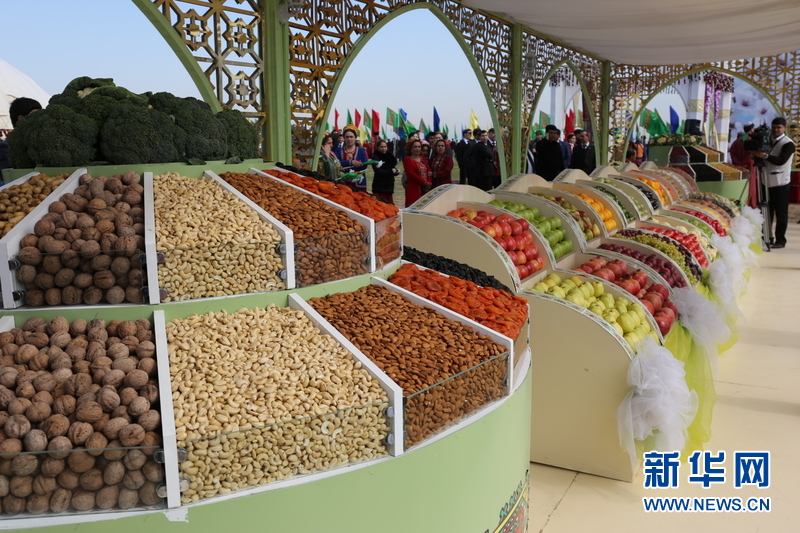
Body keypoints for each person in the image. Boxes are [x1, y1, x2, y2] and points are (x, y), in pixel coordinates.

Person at [752, 117, 795, 249]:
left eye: (779, 127)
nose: (776, 130)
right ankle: (766, 237)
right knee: (766, 211)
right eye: (774, 127)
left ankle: (780, 240)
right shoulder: (768, 140)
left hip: (781, 183)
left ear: (785, 128)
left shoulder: (788, 144)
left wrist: (764, 156)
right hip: (766, 181)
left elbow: (781, 160)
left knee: (781, 213)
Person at [0, 97, 43, 176]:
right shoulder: (5, 148)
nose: (40, 119)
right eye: (35, 115)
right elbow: (9, 178)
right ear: (21, 119)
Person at [730, 123, 757, 208]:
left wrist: (739, 164)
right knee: (750, 187)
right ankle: (750, 205)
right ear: (752, 129)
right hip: (749, 167)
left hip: (738, 167)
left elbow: (732, 153)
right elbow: (751, 154)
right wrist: (746, 163)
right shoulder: (751, 140)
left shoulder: (738, 140)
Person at [335, 126, 368, 191]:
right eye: (347, 137)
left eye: (351, 137)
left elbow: (365, 165)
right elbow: (336, 162)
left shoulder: (361, 150)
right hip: (342, 182)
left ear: (355, 138)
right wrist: (351, 162)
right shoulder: (338, 150)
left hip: (358, 182)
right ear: (344, 138)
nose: (349, 139)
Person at [403, 139, 432, 207]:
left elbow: (429, 172)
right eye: (415, 147)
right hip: (414, 188)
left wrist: (429, 183)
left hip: (425, 190)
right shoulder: (408, 160)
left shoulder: (423, 158)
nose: (417, 149)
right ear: (411, 149)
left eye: (419, 147)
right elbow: (411, 174)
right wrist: (424, 183)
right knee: (414, 207)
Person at [370, 139, 399, 204]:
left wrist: (396, 171)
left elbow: (391, 167)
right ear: (377, 147)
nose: (383, 149)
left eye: (385, 147)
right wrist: (391, 171)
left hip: (389, 186)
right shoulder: (375, 158)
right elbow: (378, 171)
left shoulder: (389, 156)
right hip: (379, 186)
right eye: (381, 147)